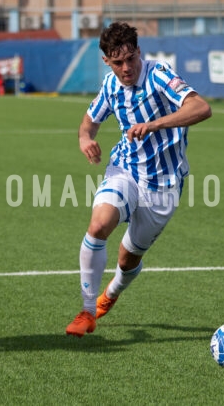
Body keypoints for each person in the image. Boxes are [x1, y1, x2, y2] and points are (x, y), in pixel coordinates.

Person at [65, 22, 212, 337]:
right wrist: (84, 140)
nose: (127, 67)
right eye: (118, 62)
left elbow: (201, 107)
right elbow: (89, 123)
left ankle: (112, 293)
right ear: (107, 62)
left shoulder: (158, 74)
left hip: (164, 184)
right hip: (125, 170)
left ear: (139, 52)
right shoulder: (110, 86)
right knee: (98, 225)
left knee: (128, 256)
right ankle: (87, 311)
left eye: (131, 58)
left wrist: (156, 124)